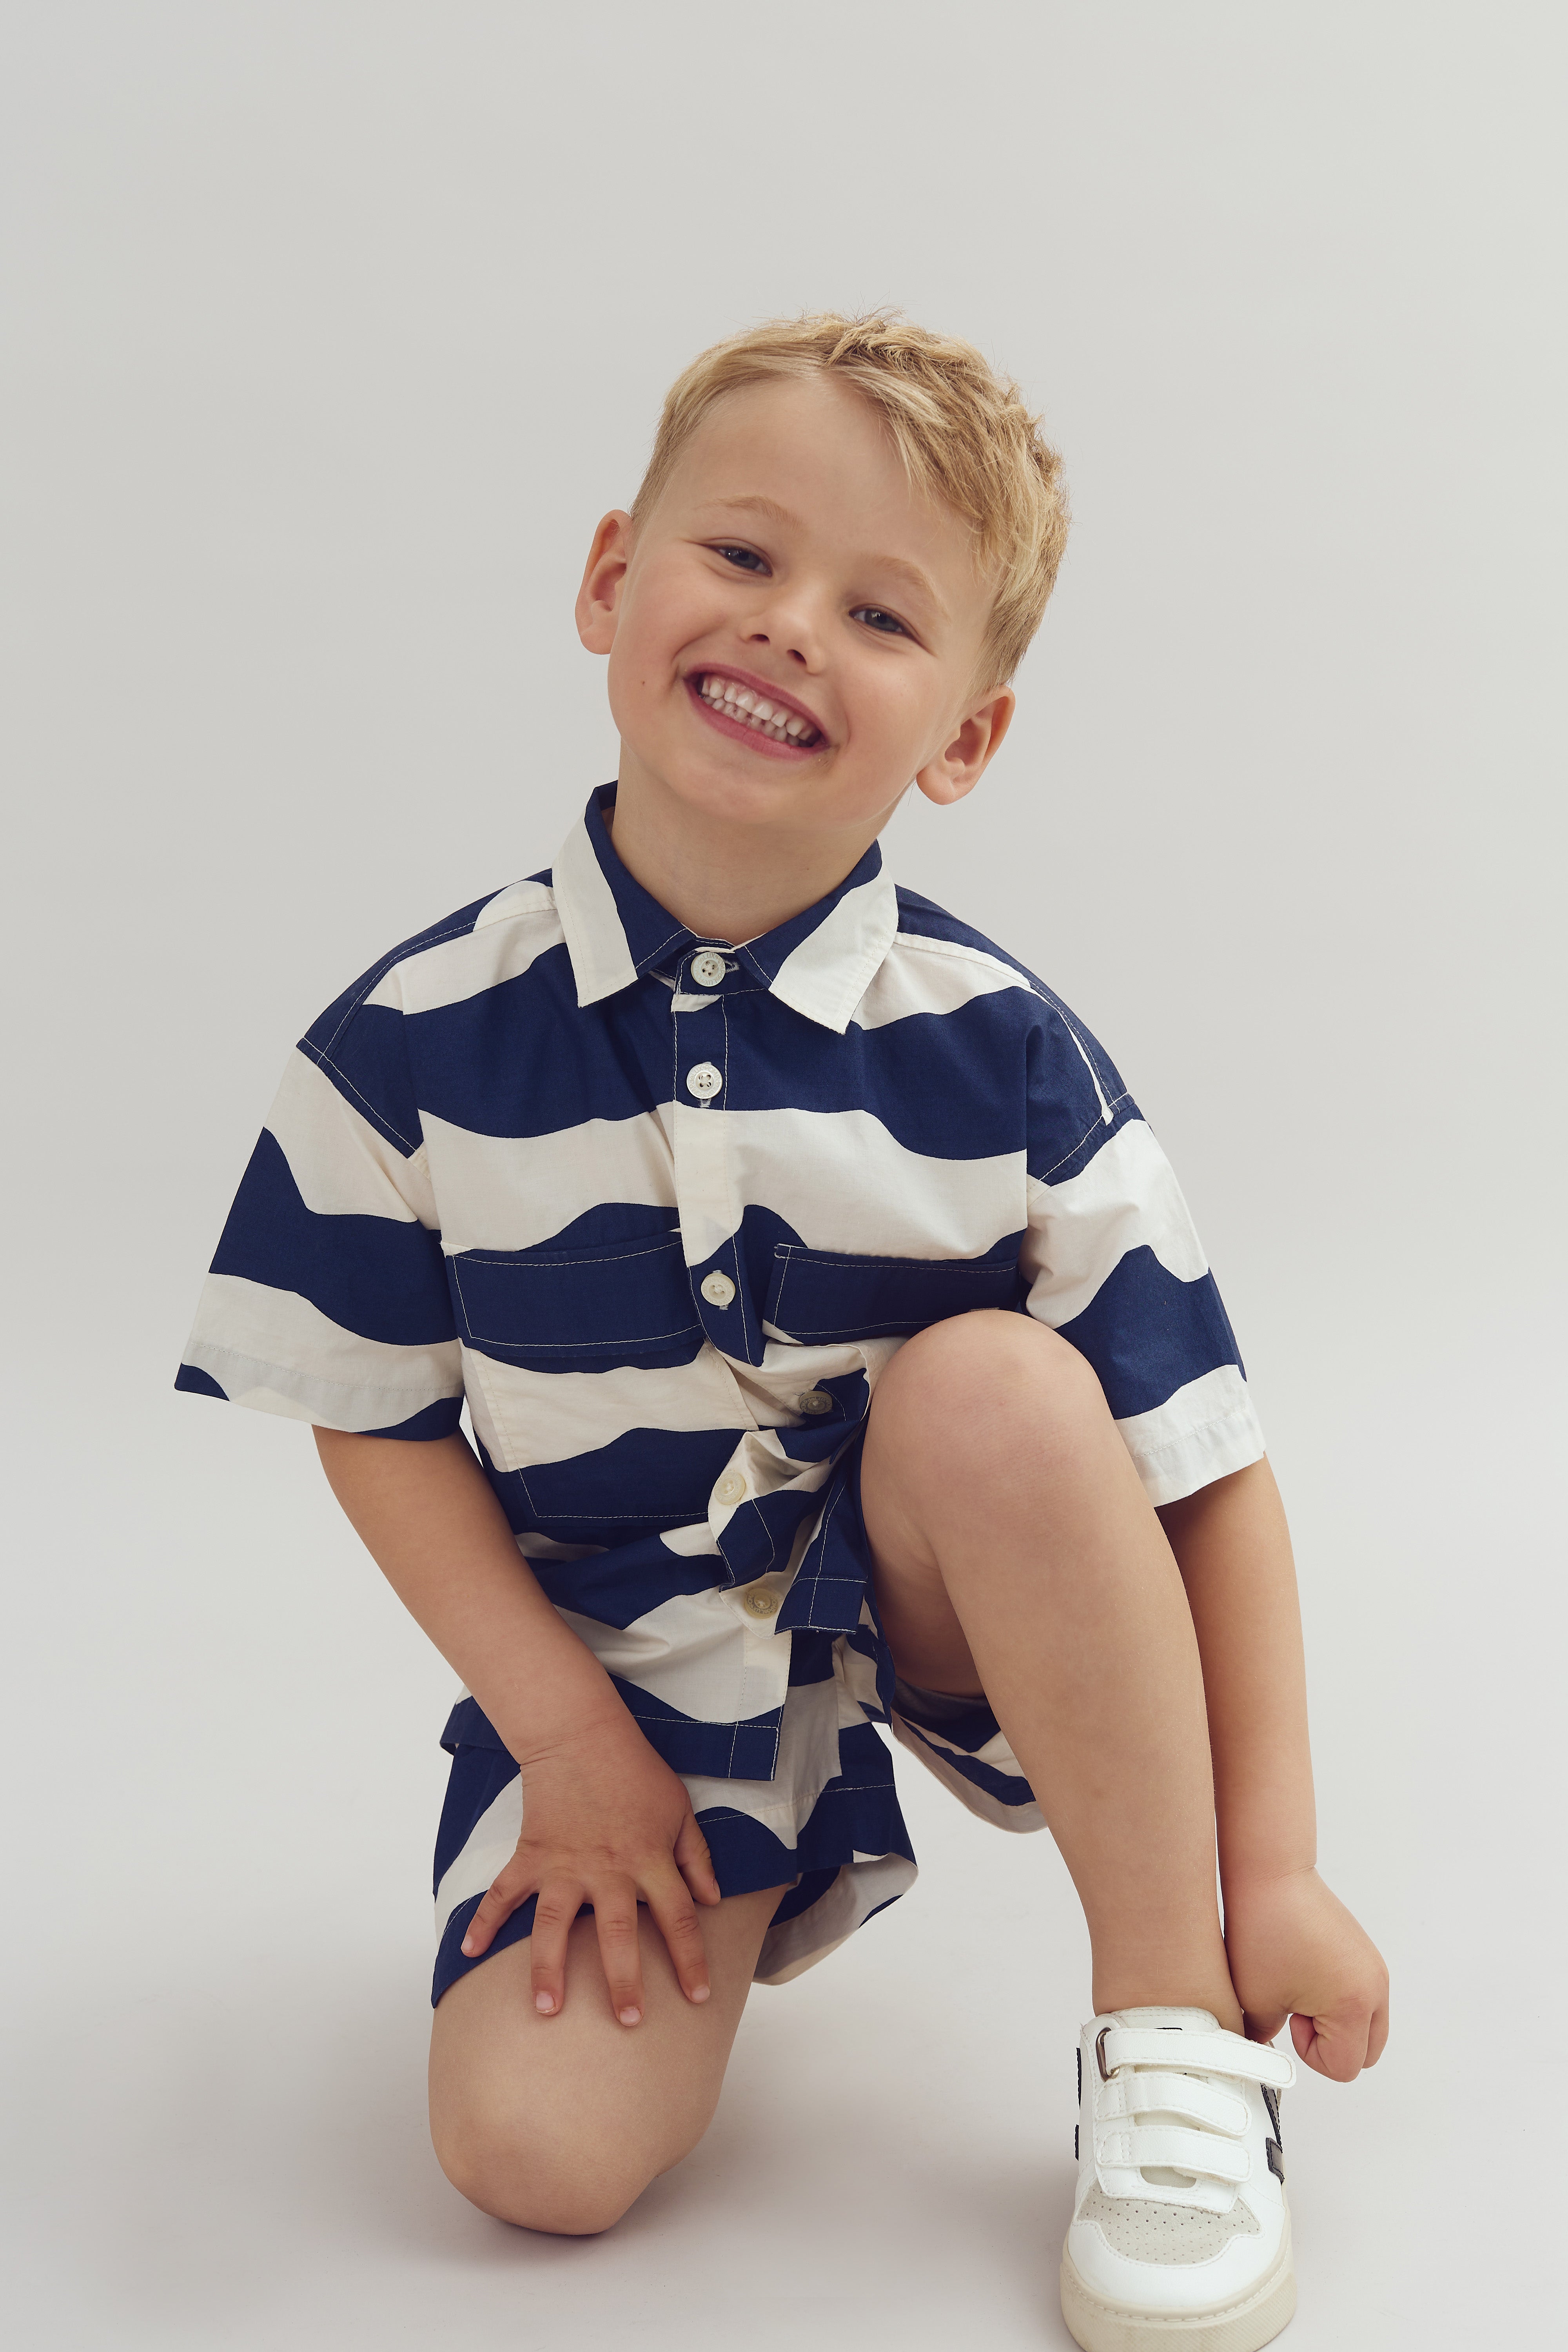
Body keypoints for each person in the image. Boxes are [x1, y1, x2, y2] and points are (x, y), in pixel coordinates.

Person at [177, 312, 1387, 2351]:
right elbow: (370, 1413)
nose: (793, 625)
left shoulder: (1002, 1062)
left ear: (965, 739)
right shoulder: (408, 1048)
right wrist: (566, 1741)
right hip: (641, 1669)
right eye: (742, 558)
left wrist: (1271, 1876)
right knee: (533, 2163)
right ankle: (707, 1853)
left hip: (955, 1593)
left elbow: (1208, 1464)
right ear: (608, 582)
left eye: (882, 608)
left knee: (1004, 1389)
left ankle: (1168, 2029)